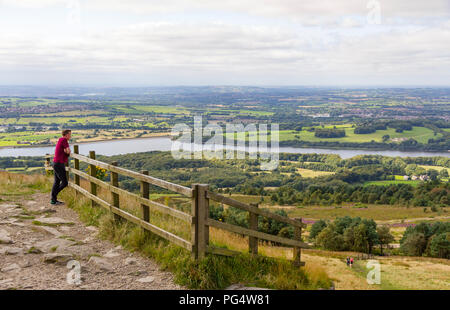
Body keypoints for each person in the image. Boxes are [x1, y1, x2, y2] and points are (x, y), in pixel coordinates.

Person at [51, 129, 71, 205]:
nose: (70, 136)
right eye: (69, 134)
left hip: (56, 163)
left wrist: (66, 152)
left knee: (57, 182)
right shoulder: (64, 140)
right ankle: (53, 197)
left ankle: (54, 200)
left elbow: (66, 151)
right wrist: (67, 152)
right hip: (59, 164)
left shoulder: (61, 139)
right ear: (66, 135)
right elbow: (68, 151)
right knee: (65, 182)